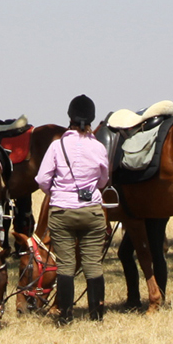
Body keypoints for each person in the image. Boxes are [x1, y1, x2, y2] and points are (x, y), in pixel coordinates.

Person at [35, 95, 112, 324]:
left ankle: (65, 315)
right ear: (91, 119)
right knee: (92, 264)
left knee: (66, 264)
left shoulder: (56, 146)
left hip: (61, 212)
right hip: (92, 212)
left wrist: (58, 193)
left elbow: (42, 179)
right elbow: (103, 180)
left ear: (69, 117)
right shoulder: (98, 147)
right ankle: (96, 315)